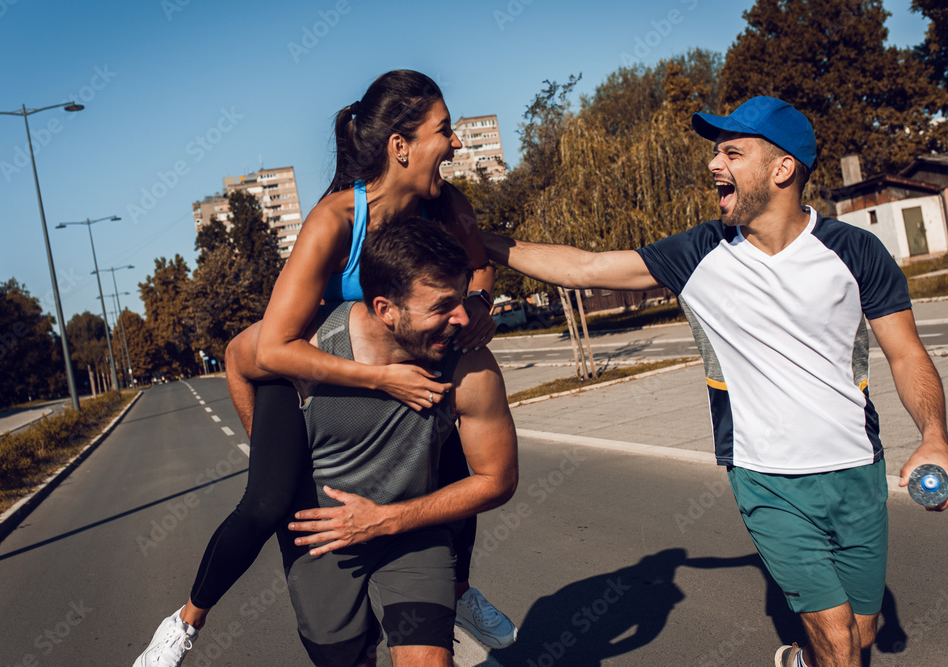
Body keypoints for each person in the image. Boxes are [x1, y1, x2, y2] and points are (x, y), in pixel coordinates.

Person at [480, 96, 948, 667]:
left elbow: (906, 355)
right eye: (715, 152)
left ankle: (802, 659)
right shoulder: (700, 253)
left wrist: (934, 436)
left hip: (857, 468)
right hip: (767, 476)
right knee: (839, 639)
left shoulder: (855, 252)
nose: (713, 165)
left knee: (862, 631)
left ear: (782, 169)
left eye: (731, 152)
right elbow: (584, 268)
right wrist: (480, 242)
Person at [134, 70, 514, 667]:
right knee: (270, 501)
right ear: (400, 145)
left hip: (394, 363)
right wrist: (383, 378)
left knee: (456, 476)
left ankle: (456, 592)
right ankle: (185, 621)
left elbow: (478, 267)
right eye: (446, 130)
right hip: (307, 366)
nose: (458, 143)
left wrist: (479, 306)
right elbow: (270, 349)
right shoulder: (337, 219)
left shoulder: (445, 205)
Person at [281, 216, 518, 666]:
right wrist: (275, 476)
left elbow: (498, 480)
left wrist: (387, 520)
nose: (463, 318)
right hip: (322, 538)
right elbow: (239, 356)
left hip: (411, 531)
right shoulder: (310, 344)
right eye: (443, 306)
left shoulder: (469, 366)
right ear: (387, 309)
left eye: (463, 298)